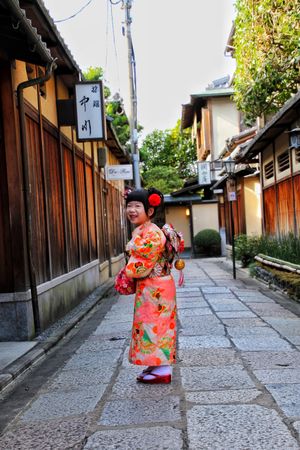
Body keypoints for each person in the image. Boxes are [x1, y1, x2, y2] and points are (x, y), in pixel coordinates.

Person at [124, 187, 182, 384]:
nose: (132, 210)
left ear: (149, 211)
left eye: (137, 206)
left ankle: (163, 368)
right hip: (152, 287)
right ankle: (155, 364)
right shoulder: (143, 230)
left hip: (156, 286)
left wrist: (130, 252)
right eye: (129, 206)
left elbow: (139, 266)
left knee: (157, 325)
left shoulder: (153, 233)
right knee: (149, 325)